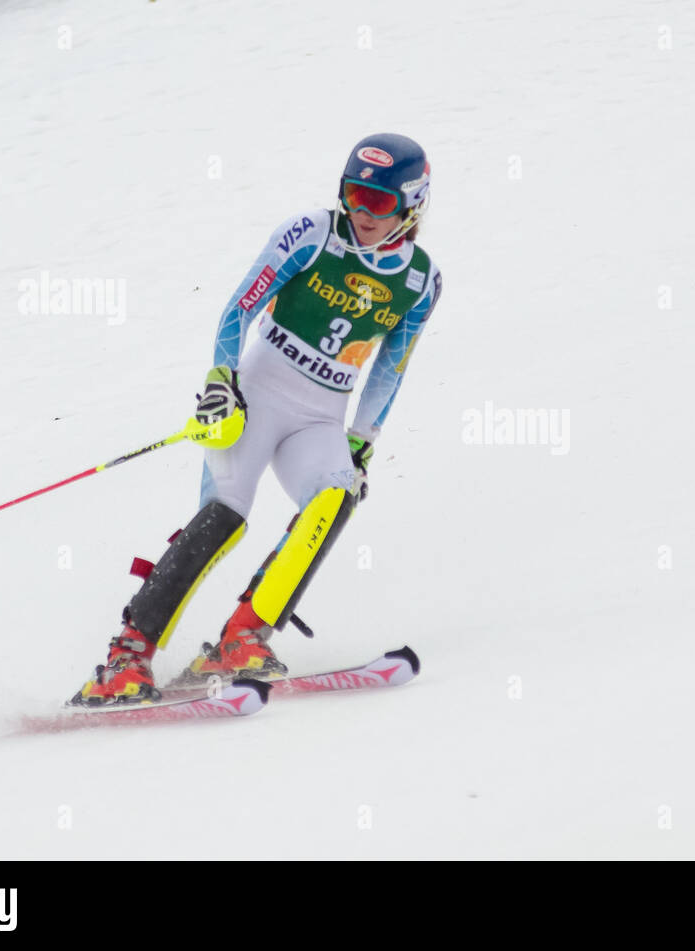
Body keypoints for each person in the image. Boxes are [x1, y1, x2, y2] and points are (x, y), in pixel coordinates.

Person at [70, 133, 442, 706]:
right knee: (225, 516)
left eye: (380, 202)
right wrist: (222, 381)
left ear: (412, 204)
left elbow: (390, 369)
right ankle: (126, 657)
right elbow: (239, 308)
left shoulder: (420, 281)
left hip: (320, 418)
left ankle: (242, 639)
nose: (363, 212)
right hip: (256, 399)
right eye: (354, 195)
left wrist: (362, 443)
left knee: (336, 496)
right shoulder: (311, 234)